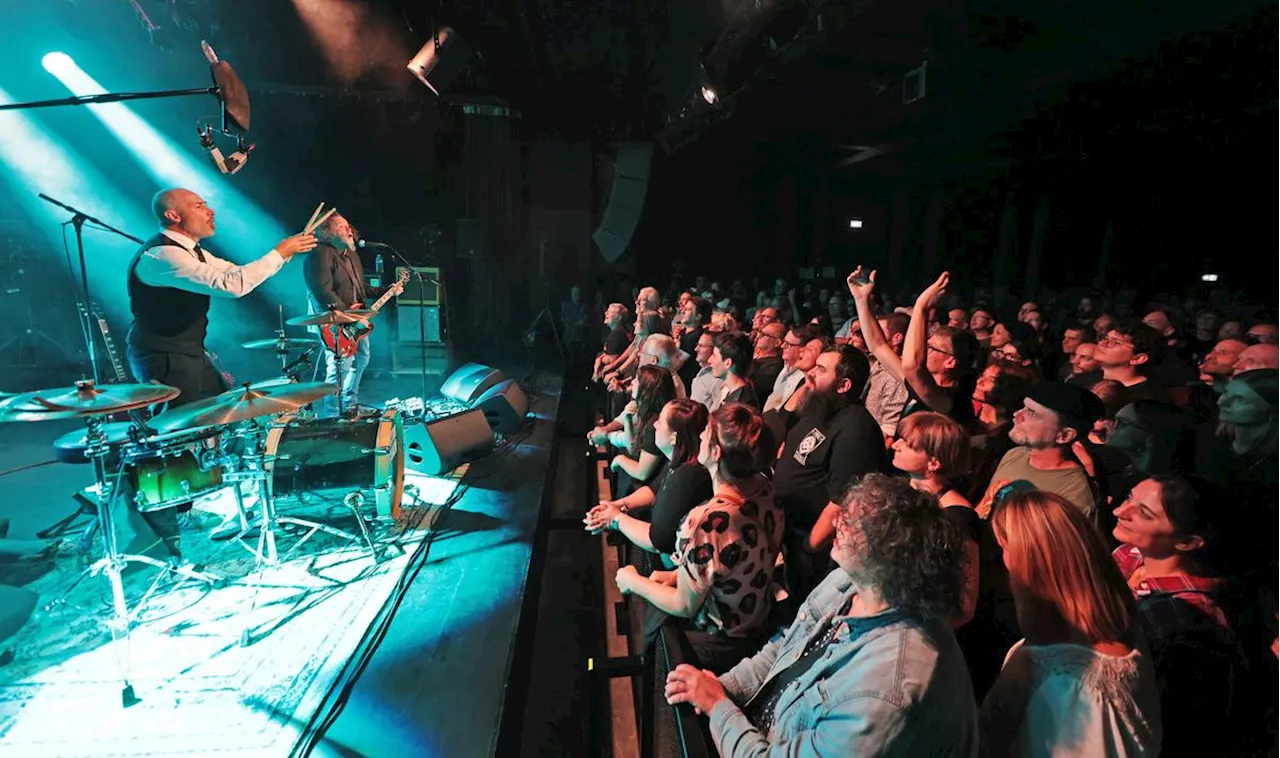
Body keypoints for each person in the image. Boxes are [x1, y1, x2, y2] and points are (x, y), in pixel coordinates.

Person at [665, 473, 978, 755]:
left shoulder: (885, 692)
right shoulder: (849, 581)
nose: (837, 520)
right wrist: (725, 686)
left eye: (855, 523)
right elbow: (786, 646)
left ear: (890, 555)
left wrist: (717, 705)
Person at [127, 188, 316, 547]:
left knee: (222, 420)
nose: (210, 211)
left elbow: (235, 272)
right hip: (162, 354)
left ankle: (209, 497)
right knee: (174, 436)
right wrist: (279, 252)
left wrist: (281, 256)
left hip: (188, 350)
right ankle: (165, 525)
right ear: (173, 216)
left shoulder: (191, 251)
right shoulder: (162, 256)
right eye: (200, 205)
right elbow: (234, 286)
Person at [981, 490, 1162, 757]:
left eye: (1006, 549)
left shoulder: (1069, 686)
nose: (1004, 561)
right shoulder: (1116, 624)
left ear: (1033, 563)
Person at [614, 403, 783, 671]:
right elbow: (732, 563)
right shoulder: (766, 488)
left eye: (706, 432)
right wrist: (674, 577)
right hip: (757, 621)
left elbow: (683, 605)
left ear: (715, 452)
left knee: (656, 623)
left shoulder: (704, 523)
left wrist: (632, 581)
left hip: (720, 640)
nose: (701, 434)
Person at [303, 212, 403, 418]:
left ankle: (350, 405)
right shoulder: (320, 254)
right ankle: (331, 413)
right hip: (335, 322)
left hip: (355, 319)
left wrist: (387, 290)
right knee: (340, 367)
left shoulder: (351, 254)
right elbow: (323, 292)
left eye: (348, 226)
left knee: (362, 359)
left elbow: (361, 287)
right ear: (328, 232)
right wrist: (348, 318)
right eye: (341, 226)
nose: (348, 230)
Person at [584, 399, 712, 559]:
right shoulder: (679, 459)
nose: (655, 425)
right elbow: (654, 490)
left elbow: (657, 541)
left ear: (674, 437)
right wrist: (616, 506)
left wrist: (615, 519)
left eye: (661, 422)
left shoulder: (688, 477)